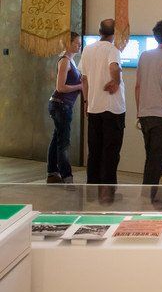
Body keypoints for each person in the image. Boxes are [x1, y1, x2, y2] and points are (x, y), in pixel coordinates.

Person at [78, 18, 126, 185]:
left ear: (99, 32)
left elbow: (84, 79)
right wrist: (116, 82)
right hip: (113, 108)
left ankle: (92, 187)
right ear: (115, 34)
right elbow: (114, 67)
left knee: (94, 150)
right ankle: (107, 190)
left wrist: (86, 102)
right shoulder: (113, 49)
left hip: (93, 107)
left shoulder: (87, 49)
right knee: (111, 151)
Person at [135, 20, 162, 185]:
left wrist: (139, 111)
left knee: (150, 159)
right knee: (157, 162)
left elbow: (138, 86)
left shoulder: (144, 56)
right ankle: (149, 195)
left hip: (145, 115)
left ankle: (148, 194)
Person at [46, 32, 83, 184]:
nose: (79, 46)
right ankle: (67, 176)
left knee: (57, 139)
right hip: (60, 105)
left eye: (80, 43)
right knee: (64, 142)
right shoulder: (65, 61)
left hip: (63, 105)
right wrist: (79, 86)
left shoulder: (71, 61)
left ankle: (52, 173)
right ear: (68, 44)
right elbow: (60, 87)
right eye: (76, 43)